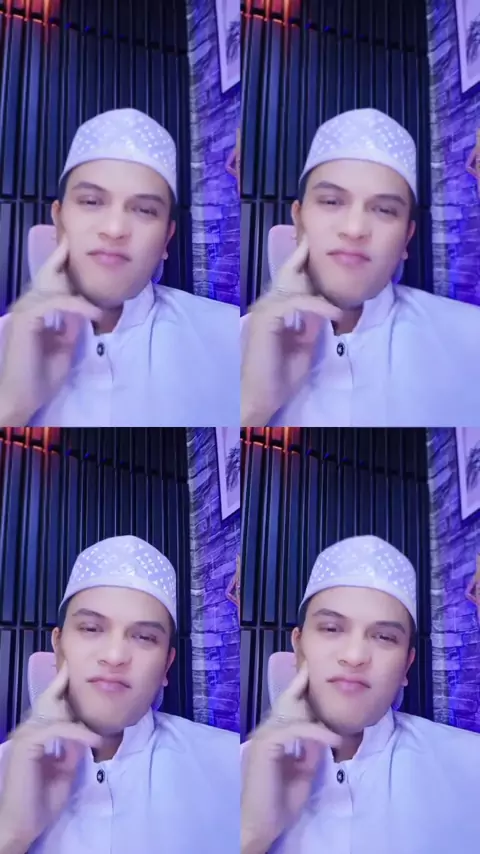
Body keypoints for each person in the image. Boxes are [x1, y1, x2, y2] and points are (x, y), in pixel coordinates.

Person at [241, 108, 480, 427]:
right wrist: (253, 406)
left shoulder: (470, 340)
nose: (354, 229)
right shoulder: (233, 343)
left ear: (407, 237)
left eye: (384, 210)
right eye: (331, 202)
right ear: (298, 220)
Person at [0, 108, 239, 427]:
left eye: (144, 210)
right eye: (91, 202)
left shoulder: (232, 337)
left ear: (166, 238)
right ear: (58, 220)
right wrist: (12, 407)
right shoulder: (6, 340)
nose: (114, 229)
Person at [0, 535, 239, 854]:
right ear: (58, 646)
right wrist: (11, 834)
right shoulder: (5, 768)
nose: (114, 656)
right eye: (91, 629)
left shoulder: (232, 765)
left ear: (166, 664)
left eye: (144, 637)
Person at [241, 535, 480, 854]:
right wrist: (252, 834)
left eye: (384, 637)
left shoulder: (470, 767)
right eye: (331, 629)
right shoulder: (233, 770)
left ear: (407, 664)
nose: (354, 656)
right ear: (298, 647)